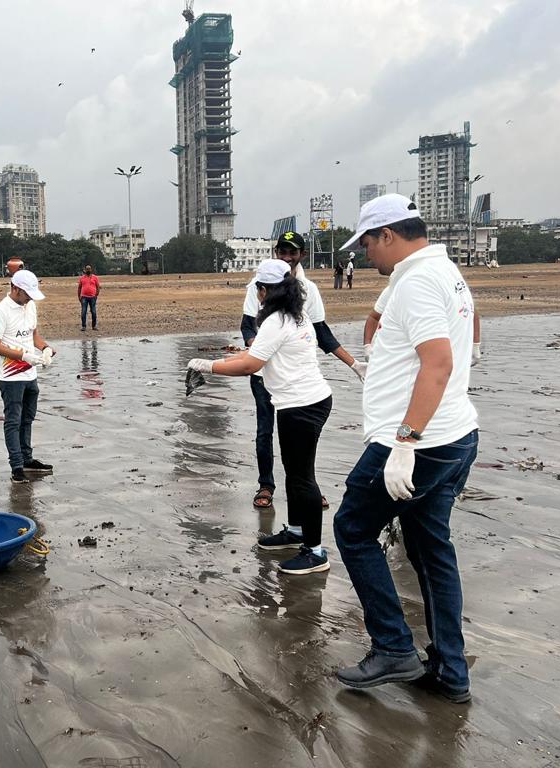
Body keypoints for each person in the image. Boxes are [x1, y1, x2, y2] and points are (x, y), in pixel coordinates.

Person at [332, 194, 478, 703]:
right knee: (431, 550)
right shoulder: (443, 271)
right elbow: (451, 350)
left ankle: (393, 646)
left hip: (421, 442)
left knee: (353, 529)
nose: (366, 253)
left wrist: (405, 441)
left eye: (368, 243)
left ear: (388, 234)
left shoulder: (416, 281)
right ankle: (450, 672)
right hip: (454, 436)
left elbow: (437, 362)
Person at [189, 259, 333, 575]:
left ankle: (315, 552)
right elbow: (252, 355)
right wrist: (220, 361)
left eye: (258, 288)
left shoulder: (276, 322)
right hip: (305, 402)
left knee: (302, 477)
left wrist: (208, 367)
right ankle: (296, 531)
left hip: (302, 405)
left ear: (265, 291)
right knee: (294, 472)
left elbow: (250, 366)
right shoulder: (294, 315)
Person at [240, 232, 366, 510]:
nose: (287, 257)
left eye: (292, 252)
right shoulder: (258, 285)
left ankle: (308, 487)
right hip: (263, 375)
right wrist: (258, 349)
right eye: (282, 251)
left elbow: (322, 333)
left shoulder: (309, 290)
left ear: (302, 255)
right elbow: (247, 326)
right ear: (276, 252)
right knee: (264, 431)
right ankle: (266, 484)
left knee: (300, 438)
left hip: (295, 380)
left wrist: (354, 363)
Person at [0, 270, 57, 483]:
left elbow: (33, 334)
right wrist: (23, 355)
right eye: (27, 294)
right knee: (13, 421)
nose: (29, 298)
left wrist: (45, 348)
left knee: (28, 418)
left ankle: (27, 459)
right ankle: (16, 466)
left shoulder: (31, 306)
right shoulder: (1, 311)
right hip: (11, 377)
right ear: (15, 288)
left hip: (30, 374)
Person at [365, 284, 482, 367]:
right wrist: (367, 346)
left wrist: (475, 345)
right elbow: (374, 317)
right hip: (399, 352)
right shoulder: (396, 288)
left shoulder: (448, 285)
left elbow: (470, 309)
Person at [78, 264, 100, 331]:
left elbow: (98, 287)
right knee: (83, 312)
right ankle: (83, 326)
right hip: (84, 297)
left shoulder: (95, 277)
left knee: (93, 312)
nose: (88, 270)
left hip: (93, 297)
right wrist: (79, 296)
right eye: (87, 269)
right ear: (85, 270)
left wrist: (96, 295)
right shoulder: (82, 278)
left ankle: (94, 326)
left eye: (89, 269)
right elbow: (79, 288)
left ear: (91, 269)